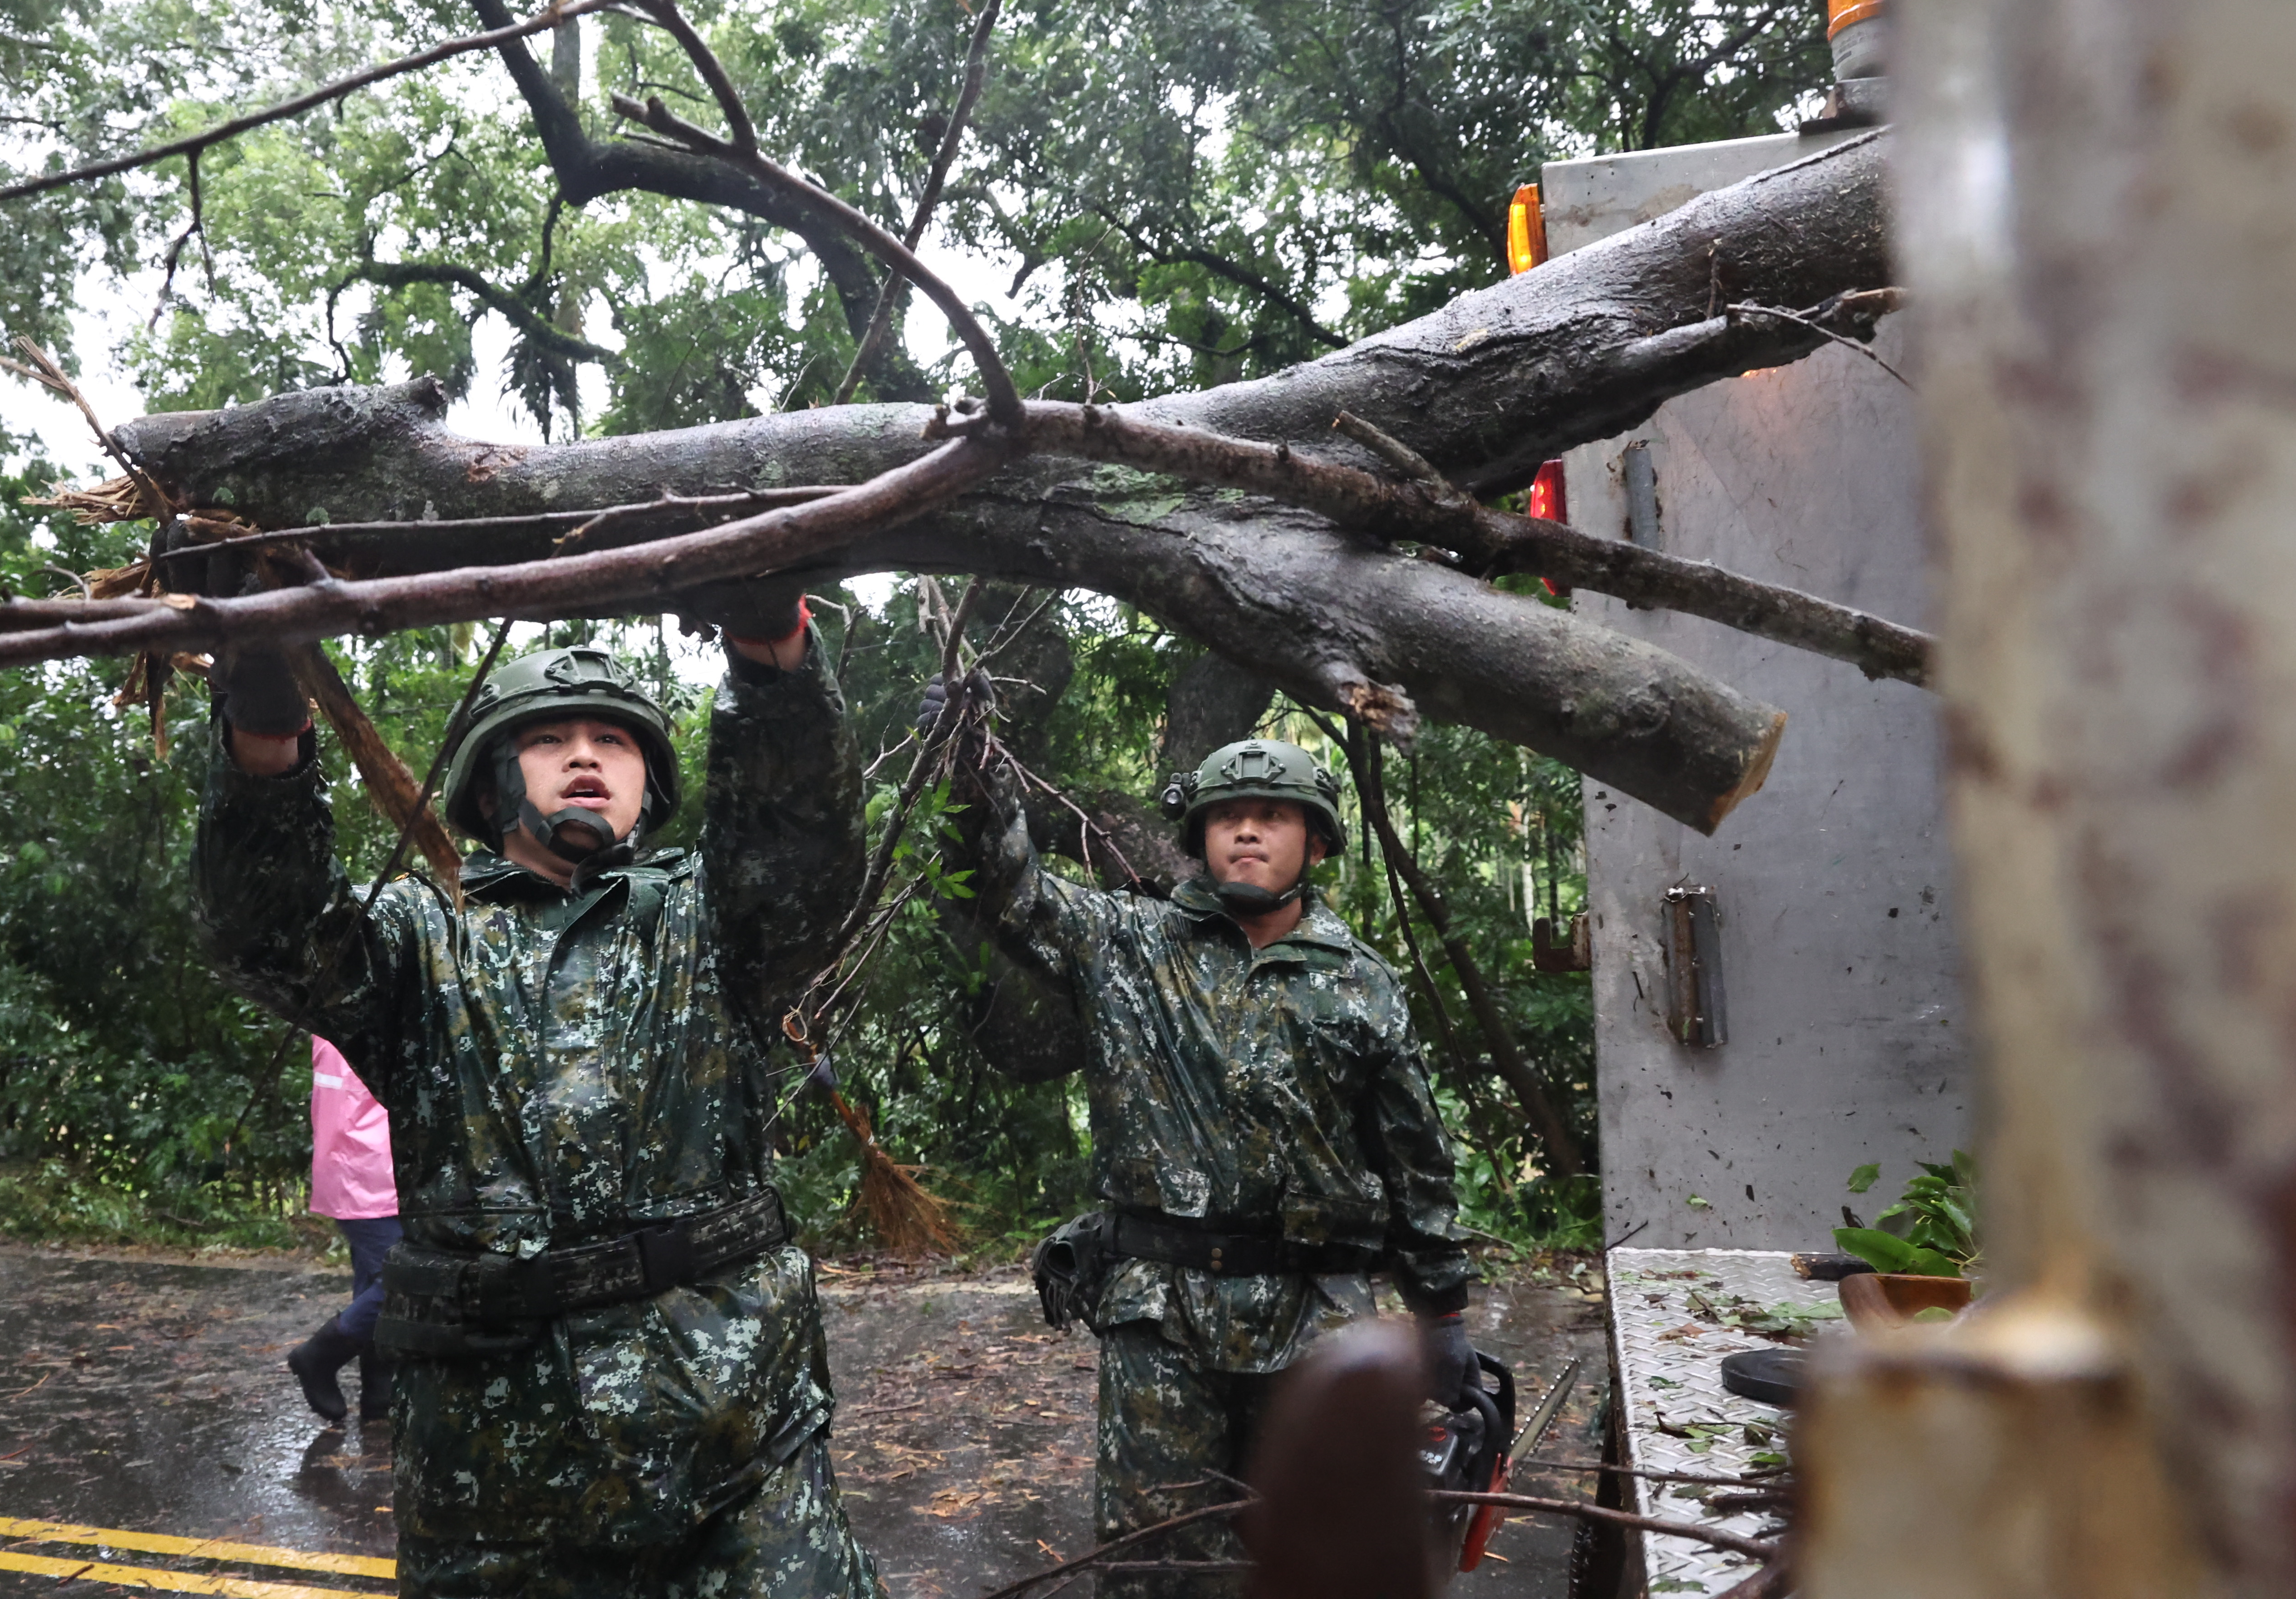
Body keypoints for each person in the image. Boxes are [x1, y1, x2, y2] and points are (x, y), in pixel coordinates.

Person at [193, 585, 880, 1599]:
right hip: (492, 1451)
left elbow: (800, 842)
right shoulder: (415, 932)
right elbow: (266, 928)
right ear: (486, 784)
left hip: (735, 1428)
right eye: (549, 737)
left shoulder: (713, 918)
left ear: (650, 780)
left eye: (616, 737)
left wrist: (769, 645)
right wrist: (264, 723)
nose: (587, 755)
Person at [930, 700, 1477, 1597]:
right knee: (1159, 1562)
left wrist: (1443, 1309)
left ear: (1318, 839)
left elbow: (1414, 1158)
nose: (1249, 830)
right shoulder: (1126, 944)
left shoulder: (1363, 985)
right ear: (1200, 835)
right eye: (1229, 816)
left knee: (1320, 1557)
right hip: (1163, 1317)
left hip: (1317, 1315)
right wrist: (975, 767)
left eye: (1273, 814)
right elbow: (1012, 893)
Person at [288, 1035, 402, 1427]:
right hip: (373, 1173)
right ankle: (320, 1356)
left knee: (375, 1280)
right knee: (405, 1283)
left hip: (362, 1170)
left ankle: (381, 1398)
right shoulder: (370, 1019)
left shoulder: (334, 1019)